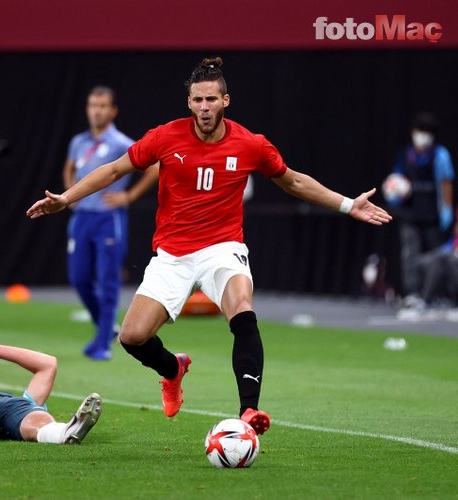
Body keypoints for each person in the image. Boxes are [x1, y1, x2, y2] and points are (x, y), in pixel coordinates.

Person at [27, 57, 392, 434]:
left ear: (225, 101)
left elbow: (294, 182)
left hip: (223, 247)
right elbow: (116, 169)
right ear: (189, 102)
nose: (204, 107)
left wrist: (348, 205)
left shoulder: (251, 144)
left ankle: (249, 412)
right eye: (198, 100)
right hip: (172, 254)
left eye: (211, 100)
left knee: (242, 307)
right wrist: (67, 198)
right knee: (132, 337)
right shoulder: (165, 137)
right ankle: (173, 368)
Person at [62, 86, 158, 361]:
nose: (97, 110)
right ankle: (104, 329)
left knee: (107, 280)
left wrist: (129, 196)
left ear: (113, 110)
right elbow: (69, 167)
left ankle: (103, 341)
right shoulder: (78, 142)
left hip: (108, 218)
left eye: (103, 106)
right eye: (93, 105)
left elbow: (153, 167)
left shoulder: (120, 142)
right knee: (79, 278)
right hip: (82, 217)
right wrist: (70, 195)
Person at [386, 112, 455, 310]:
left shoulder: (439, 155)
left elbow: (446, 183)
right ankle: (413, 294)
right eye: (420, 131)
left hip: (433, 215)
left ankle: (440, 295)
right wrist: (395, 193)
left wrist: (447, 209)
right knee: (410, 255)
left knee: (439, 257)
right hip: (410, 214)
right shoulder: (405, 155)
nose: (423, 136)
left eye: (427, 132)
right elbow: (395, 181)